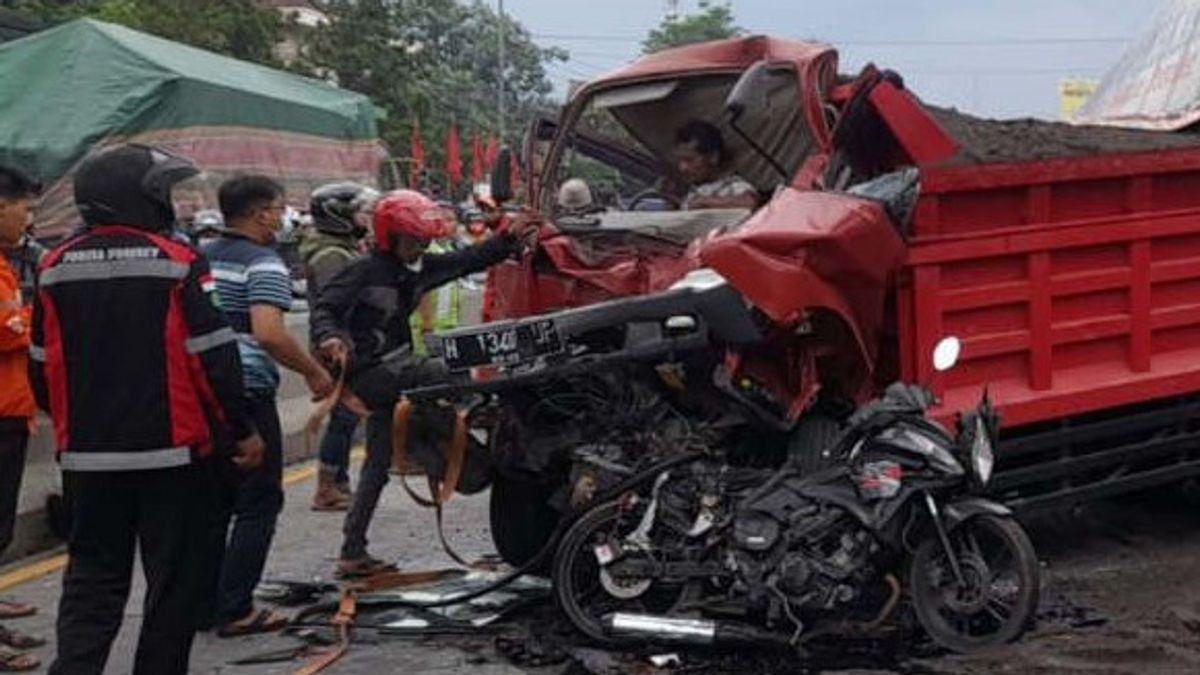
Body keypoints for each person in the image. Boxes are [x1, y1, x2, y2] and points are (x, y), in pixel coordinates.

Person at [29, 144, 264, 675]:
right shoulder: (178, 262)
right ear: (139, 199)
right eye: (164, 194)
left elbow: (42, 368)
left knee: (91, 579)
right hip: (173, 459)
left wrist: (81, 427)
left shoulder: (52, 267)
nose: (170, 206)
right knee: (173, 585)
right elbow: (215, 360)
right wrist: (241, 429)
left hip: (87, 460)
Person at [310, 189, 531, 578]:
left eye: (424, 243)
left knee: (376, 466)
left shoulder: (416, 268)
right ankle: (489, 412)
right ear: (389, 236)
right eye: (412, 242)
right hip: (371, 371)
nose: (419, 249)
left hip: (392, 373)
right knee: (445, 372)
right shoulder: (361, 270)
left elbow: (467, 260)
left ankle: (352, 551)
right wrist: (330, 338)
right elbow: (325, 309)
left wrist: (509, 239)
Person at [203, 175, 335, 636]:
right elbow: (270, 332)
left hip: (200, 393)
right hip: (247, 391)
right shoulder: (263, 262)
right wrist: (314, 373)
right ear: (260, 213)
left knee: (212, 503)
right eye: (279, 209)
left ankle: (203, 602)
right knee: (259, 500)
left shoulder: (200, 257)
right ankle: (236, 607)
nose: (283, 218)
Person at [299, 182, 378, 511]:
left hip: (344, 341)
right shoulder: (332, 255)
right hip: (337, 345)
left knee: (347, 416)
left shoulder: (342, 248)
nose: (366, 219)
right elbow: (337, 304)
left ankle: (339, 481)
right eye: (361, 213)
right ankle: (328, 486)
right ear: (338, 216)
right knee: (345, 415)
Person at [0, 165, 41, 673]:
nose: (30, 221)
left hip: (10, 411)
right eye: (25, 210)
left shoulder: (7, 266)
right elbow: (10, 331)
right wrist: (32, 319)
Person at [673, 119, 758, 210]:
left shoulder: (732, 184)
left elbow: (749, 202)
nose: (683, 167)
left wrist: (705, 202)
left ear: (713, 157)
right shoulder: (691, 193)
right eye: (680, 161)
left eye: (690, 160)